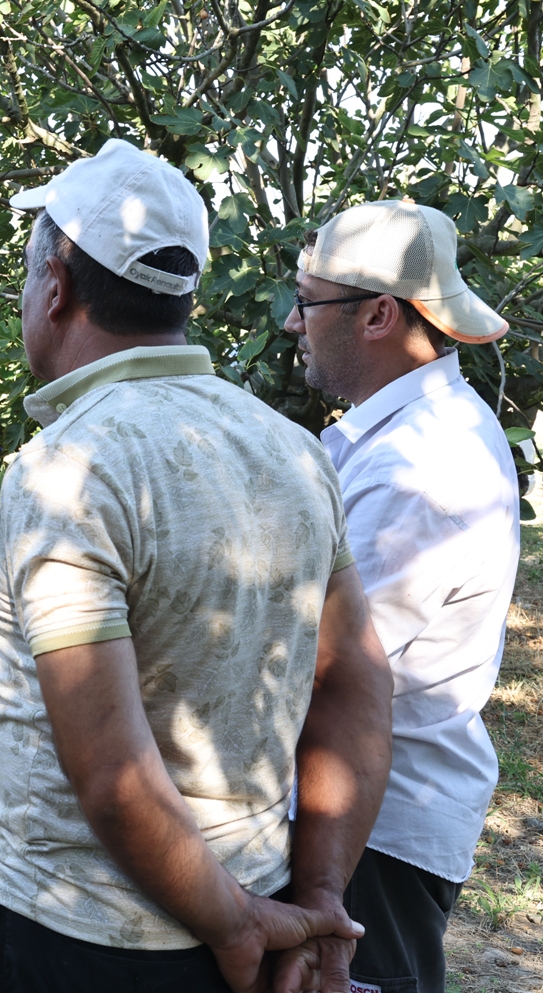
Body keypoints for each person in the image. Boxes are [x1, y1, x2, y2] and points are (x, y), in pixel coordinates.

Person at [0, 139, 394, 993]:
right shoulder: (291, 451)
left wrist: (239, 922)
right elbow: (357, 681)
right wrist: (311, 898)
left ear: (53, 285)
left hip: (83, 937)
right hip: (257, 919)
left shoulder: (69, 468)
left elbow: (110, 771)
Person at [285, 200, 519, 993]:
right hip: (364, 815)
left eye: (307, 302)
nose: (293, 324)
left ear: (378, 313)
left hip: (369, 829)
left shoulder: (421, 467)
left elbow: (327, 667)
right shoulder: (391, 437)